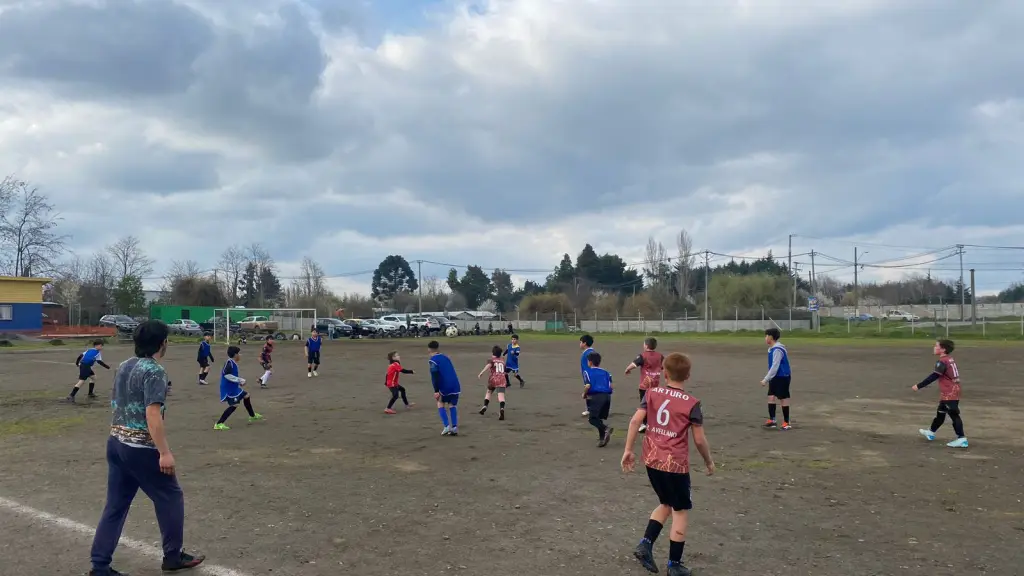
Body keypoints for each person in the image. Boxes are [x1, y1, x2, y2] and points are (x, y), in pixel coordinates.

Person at [87, 320, 205, 576]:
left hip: (116, 442)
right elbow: (153, 415)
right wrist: (164, 452)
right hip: (140, 448)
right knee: (171, 497)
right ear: (162, 343)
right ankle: (173, 556)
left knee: (115, 505)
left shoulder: (123, 366)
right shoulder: (155, 371)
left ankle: (99, 565)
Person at [622, 352, 715, 576]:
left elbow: (635, 420)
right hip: (675, 464)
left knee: (666, 503)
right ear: (688, 375)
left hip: (652, 459)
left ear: (664, 372)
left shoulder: (652, 393)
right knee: (680, 511)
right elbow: (699, 439)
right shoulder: (692, 403)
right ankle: (674, 565)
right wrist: (709, 462)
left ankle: (645, 544)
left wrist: (628, 450)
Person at [912, 339, 968, 448]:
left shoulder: (942, 361)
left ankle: (961, 438)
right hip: (951, 390)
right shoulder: (949, 359)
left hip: (950, 391)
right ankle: (931, 432)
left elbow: (934, 376)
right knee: (941, 412)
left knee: (953, 414)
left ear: (943, 349)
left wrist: (919, 386)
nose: (934, 347)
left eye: (936, 346)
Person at [214, 345, 264, 430]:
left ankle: (252, 416)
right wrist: (239, 380)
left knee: (246, 395)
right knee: (235, 405)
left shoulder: (232, 363)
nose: (240, 355)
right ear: (235, 355)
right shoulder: (229, 363)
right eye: (239, 353)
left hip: (233, 387)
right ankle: (219, 423)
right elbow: (227, 375)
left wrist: (238, 382)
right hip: (228, 388)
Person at [625, 337, 664, 433]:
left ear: (646, 345)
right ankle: (654, 422)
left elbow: (634, 364)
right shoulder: (660, 356)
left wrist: (627, 369)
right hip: (655, 385)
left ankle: (645, 424)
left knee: (644, 405)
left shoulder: (643, 356)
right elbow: (663, 367)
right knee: (653, 403)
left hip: (644, 386)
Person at [760, 328, 792, 430]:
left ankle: (786, 422)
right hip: (775, 377)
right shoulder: (771, 349)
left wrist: (765, 379)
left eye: (766, 336)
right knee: (771, 397)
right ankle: (772, 420)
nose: (765, 338)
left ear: (771, 337)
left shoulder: (777, 349)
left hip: (782, 376)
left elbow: (775, 366)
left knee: (783, 398)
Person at [428, 340, 461, 436]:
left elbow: (434, 376)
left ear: (429, 349)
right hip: (455, 384)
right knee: (452, 405)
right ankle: (454, 427)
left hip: (445, 386)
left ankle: (446, 426)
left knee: (440, 403)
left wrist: (436, 391)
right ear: (438, 348)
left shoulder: (433, 360)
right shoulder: (446, 357)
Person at [582, 351, 614, 447]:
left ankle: (605, 429)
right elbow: (611, 386)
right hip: (607, 397)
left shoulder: (587, 372)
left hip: (597, 397)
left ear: (590, 362)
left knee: (592, 419)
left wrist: (584, 394)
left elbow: (587, 385)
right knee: (598, 418)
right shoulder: (606, 373)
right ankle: (602, 439)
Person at [478, 345, 508, 420]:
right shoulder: (502, 361)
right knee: (501, 396)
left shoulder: (491, 360)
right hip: (502, 379)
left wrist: (481, 372)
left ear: (493, 353)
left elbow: (488, 365)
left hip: (493, 379)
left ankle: (485, 406)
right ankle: (501, 409)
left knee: (489, 392)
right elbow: (505, 371)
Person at [579, 334, 595, 416]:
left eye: (580, 342)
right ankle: (590, 409)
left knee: (589, 392)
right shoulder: (588, 352)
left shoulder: (589, 353)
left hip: (589, 375)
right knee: (590, 392)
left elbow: (592, 363)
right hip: (588, 374)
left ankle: (590, 409)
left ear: (584, 343)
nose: (580, 344)